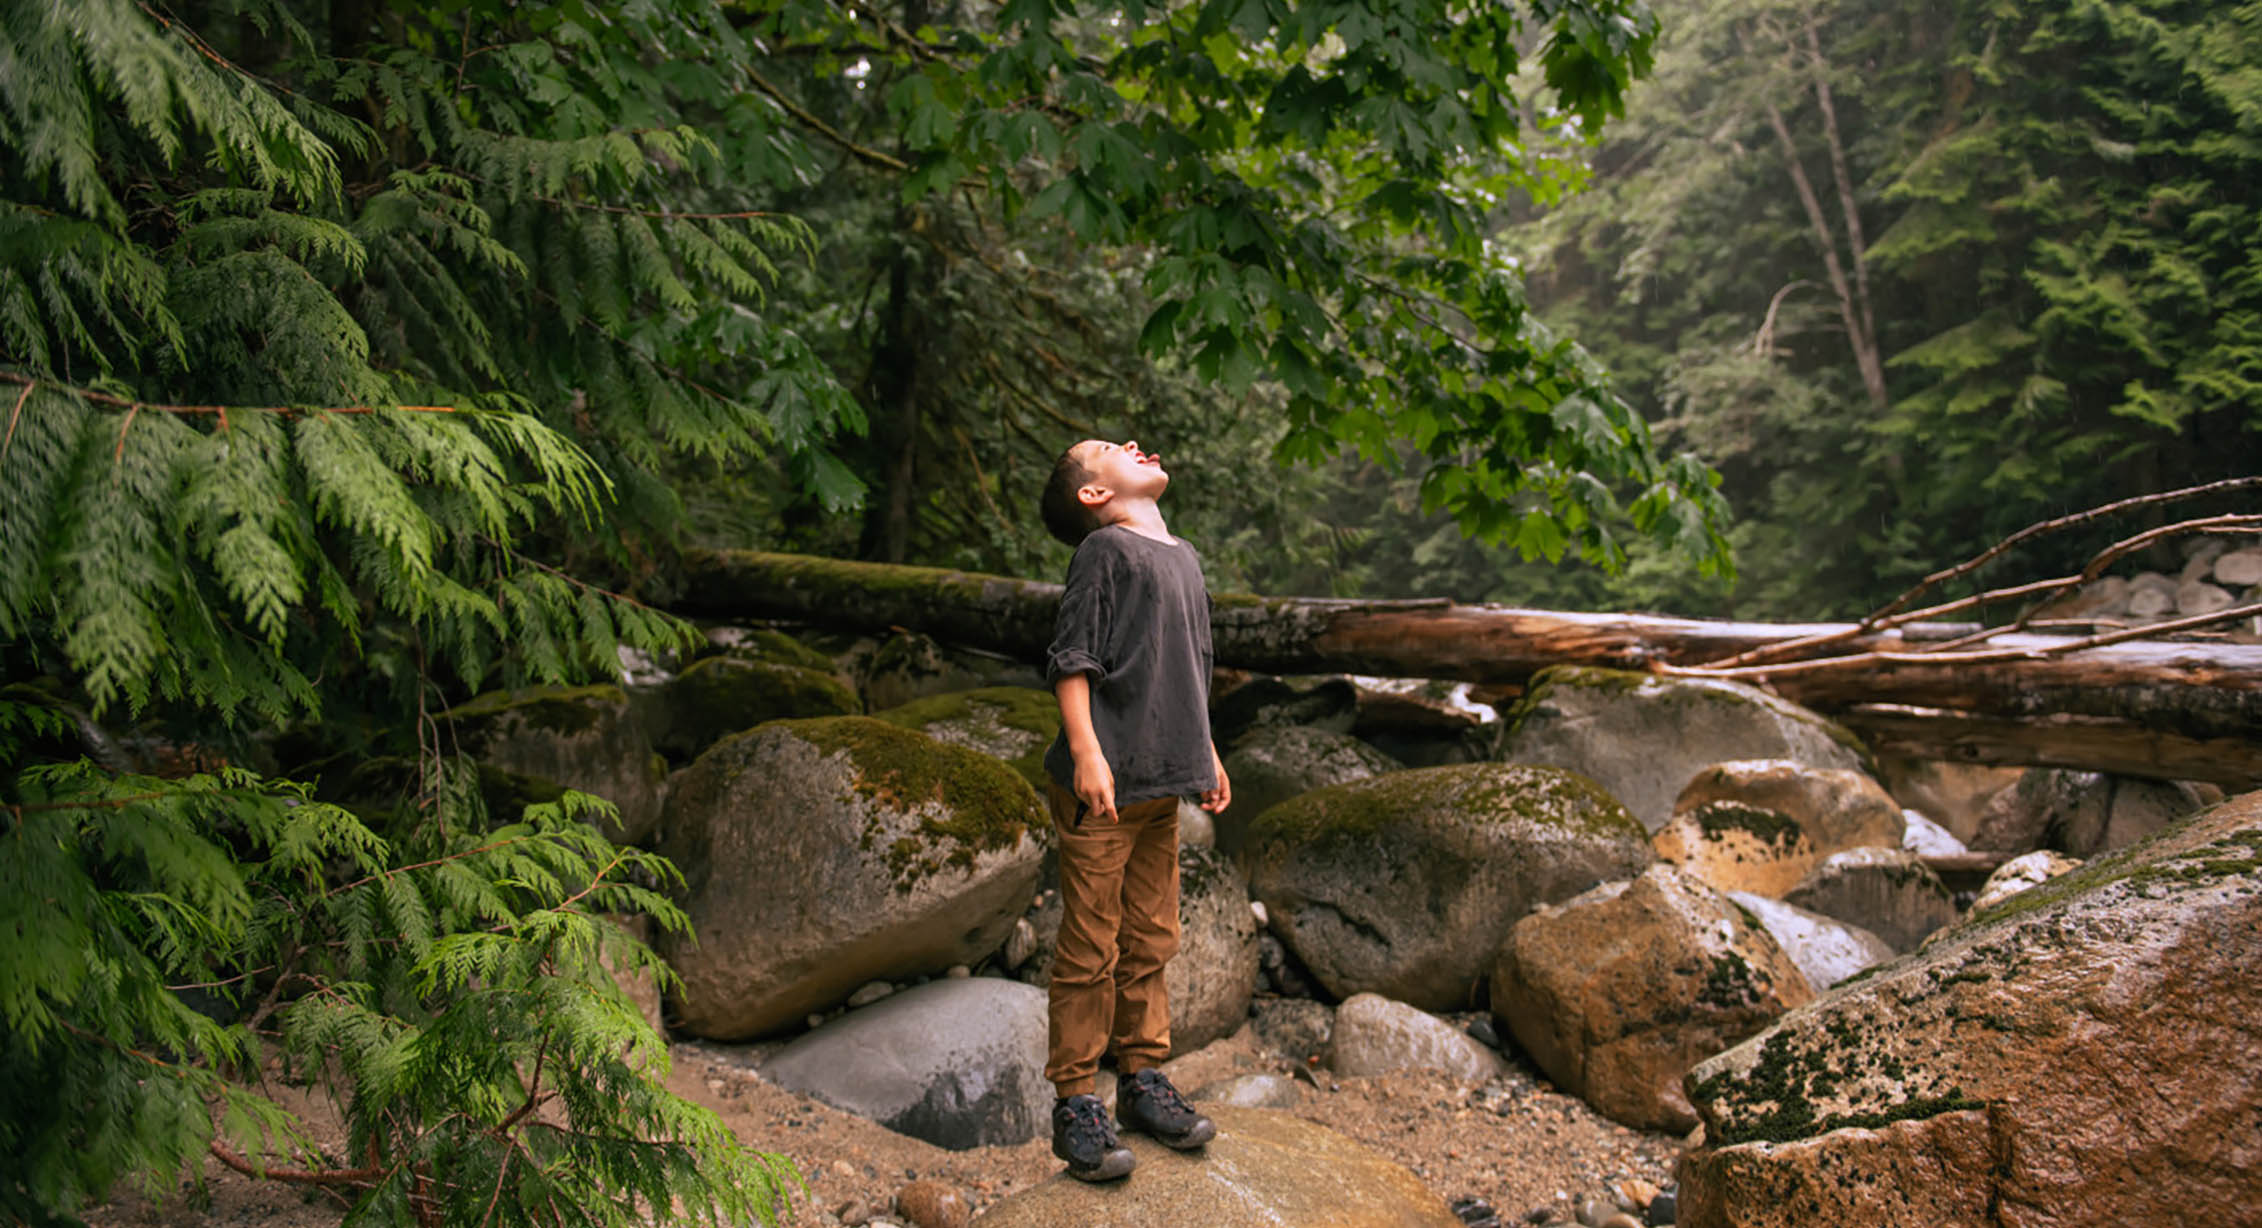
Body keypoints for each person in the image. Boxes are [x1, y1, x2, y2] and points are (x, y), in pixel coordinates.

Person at [1035, 437, 1230, 1182]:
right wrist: (1087, 752)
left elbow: (1191, 664)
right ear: (1094, 495)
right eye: (1110, 448)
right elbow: (1072, 659)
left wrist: (1206, 750)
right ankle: (1077, 1104)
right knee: (1091, 944)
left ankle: (1144, 1080)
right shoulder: (1105, 554)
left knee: (1153, 935)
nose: (1133, 445)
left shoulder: (1179, 553)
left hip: (1161, 783)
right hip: (1104, 787)